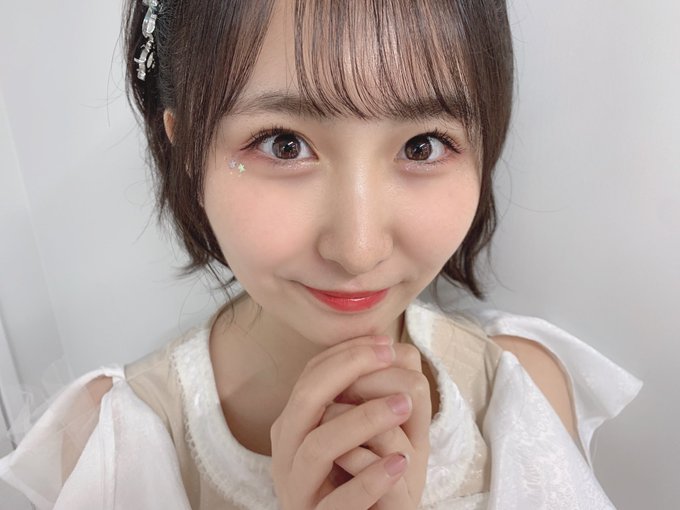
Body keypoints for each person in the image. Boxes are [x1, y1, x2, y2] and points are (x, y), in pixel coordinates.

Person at [0, 0, 642, 508]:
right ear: (186, 148)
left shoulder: (522, 392)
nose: (358, 250)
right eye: (283, 144)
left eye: (422, 145)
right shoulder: (117, 445)